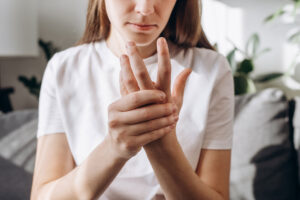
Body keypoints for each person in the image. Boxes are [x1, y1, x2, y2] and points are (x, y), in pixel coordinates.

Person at [30, 0, 234, 199]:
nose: (145, 9)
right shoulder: (64, 69)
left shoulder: (211, 70)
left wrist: (162, 145)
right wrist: (115, 147)